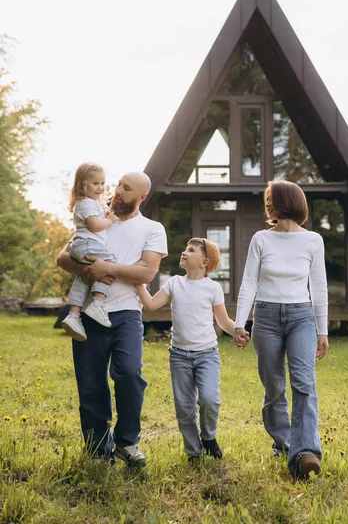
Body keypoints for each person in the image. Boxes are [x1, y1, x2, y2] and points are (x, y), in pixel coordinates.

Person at [57, 171, 168, 468]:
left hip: (128, 314)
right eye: (118, 184)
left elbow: (146, 273)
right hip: (90, 314)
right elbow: (63, 258)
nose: (117, 191)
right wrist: (87, 269)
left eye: (126, 188)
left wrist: (107, 267)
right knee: (91, 382)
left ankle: (127, 441)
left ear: (141, 196)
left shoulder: (152, 228)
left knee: (130, 375)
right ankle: (97, 450)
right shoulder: (96, 217)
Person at [234, 180, 329, 480]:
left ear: (288, 201)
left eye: (271, 199)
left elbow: (319, 287)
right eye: (266, 200)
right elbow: (249, 281)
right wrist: (239, 322)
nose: (267, 204)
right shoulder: (261, 239)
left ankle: (305, 452)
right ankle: (286, 443)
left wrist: (322, 329)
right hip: (266, 316)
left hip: (302, 316)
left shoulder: (313, 240)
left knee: (304, 383)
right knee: (274, 388)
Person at [136, 237, 250, 463]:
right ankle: (193, 452)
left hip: (207, 354)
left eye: (191, 250)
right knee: (184, 406)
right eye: (185, 249)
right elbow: (150, 305)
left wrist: (238, 330)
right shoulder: (174, 283)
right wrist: (137, 281)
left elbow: (223, 320)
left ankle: (208, 437)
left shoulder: (212, 288)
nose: (184, 253)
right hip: (179, 356)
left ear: (204, 262)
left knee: (210, 399)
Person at [61, 162, 120, 342]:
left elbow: (102, 211)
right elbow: (94, 226)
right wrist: (111, 220)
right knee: (110, 263)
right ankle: (98, 303)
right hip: (88, 243)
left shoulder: (93, 203)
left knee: (84, 278)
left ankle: (73, 315)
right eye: (95, 183)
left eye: (102, 183)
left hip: (82, 245)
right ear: (82, 185)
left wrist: (108, 209)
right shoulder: (86, 203)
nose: (100, 188)